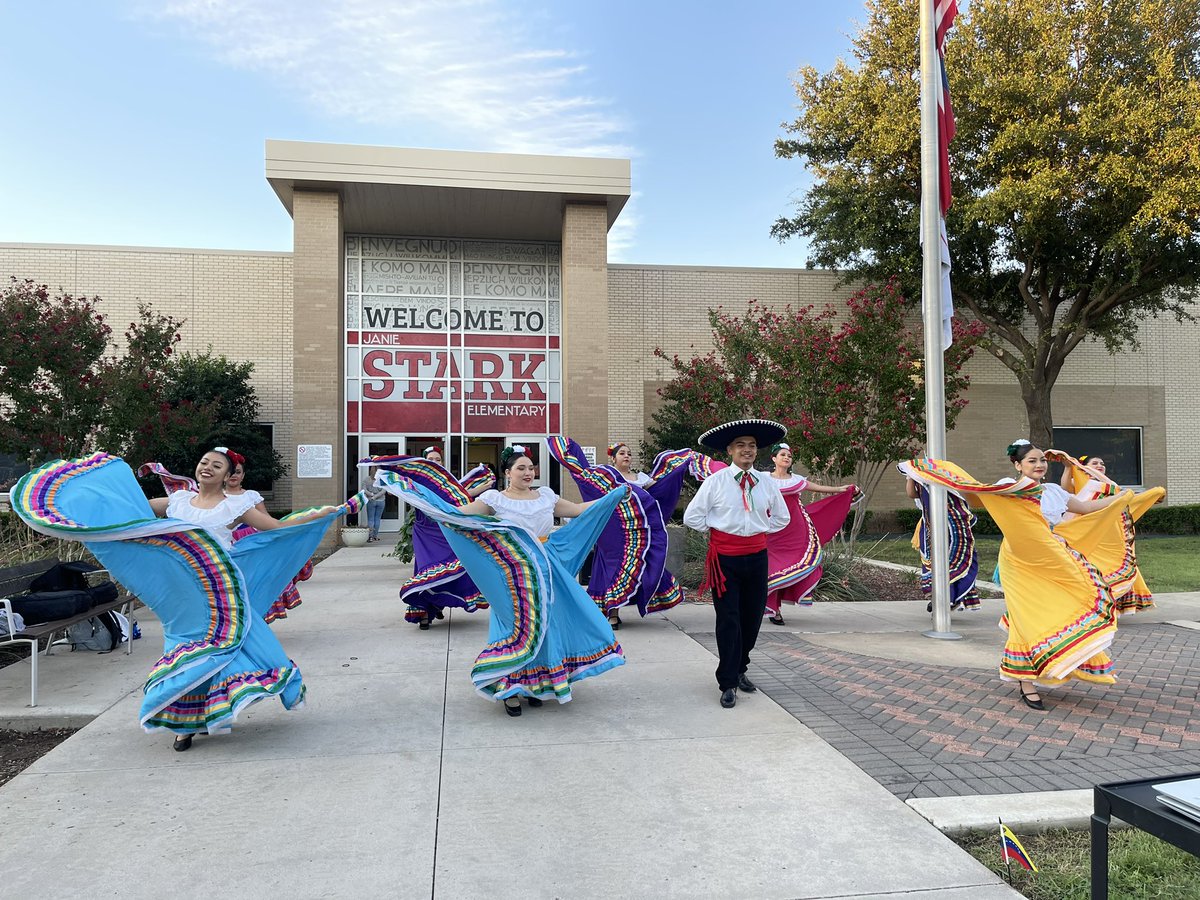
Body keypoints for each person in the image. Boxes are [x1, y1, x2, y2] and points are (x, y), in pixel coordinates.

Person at [14, 450, 352, 753]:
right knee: (186, 642)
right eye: (205, 462)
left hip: (219, 589)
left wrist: (327, 514)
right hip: (179, 590)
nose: (207, 468)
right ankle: (184, 721)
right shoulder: (176, 501)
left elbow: (276, 528)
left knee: (229, 642)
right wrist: (87, 510)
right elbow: (129, 518)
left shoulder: (238, 504)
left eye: (216, 465)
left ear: (228, 475)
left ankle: (200, 715)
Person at [376, 446, 627, 717]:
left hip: (546, 568)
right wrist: (430, 504)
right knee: (515, 626)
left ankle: (536, 684)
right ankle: (510, 689)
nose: (528, 472)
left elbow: (578, 510)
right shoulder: (495, 499)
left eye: (531, 468)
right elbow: (459, 515)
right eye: (521, 468)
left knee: (545, 624)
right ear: (507, 473)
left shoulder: (546, 497)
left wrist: (613, 496)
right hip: (511, 573)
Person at [901, 440, 1131, 712]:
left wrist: (1125, 496)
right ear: (1017, 465)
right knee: (1025, 617)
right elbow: (974, 494)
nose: (1038, 465)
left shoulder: (1054, 491)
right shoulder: (1009, 486)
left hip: (1052, 558)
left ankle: (1056, 660)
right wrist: (928, 473)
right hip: (1019, 560)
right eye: (1031, 461)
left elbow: (1089, 509)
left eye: (1041, 460)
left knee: (1061, 609)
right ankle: (1026, 681)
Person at [683, 419, 790, 709]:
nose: (747, 450)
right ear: (729, 450)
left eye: (752, 446)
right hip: (725, 560)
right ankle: (728, 681)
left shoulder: (766, 482)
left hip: (757, 557)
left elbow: (783, 517)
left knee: (752, 618)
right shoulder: (715, 482)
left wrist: (759, 529)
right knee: (728, 620)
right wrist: (721, 532)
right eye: (741, 445)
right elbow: (691, 517)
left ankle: (741, 666)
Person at [548, 437, 695, 630]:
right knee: (613, 565)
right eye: (622, 453)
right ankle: (612, 613)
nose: (627, 456)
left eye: (629, 453)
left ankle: (622, 605)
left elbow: (657, 492)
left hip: (636, 533)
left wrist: (678, 469)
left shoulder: (641, 478)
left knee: (640, 565)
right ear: (613, 459)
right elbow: (585, 478)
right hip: (612, 531)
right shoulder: (605, 477)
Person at [395, 447, 494, 630]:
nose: (434, 461)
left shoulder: (447, 483)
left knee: (452, 566)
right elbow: (441, 500)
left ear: (442, 462)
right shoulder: (415, 482)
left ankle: (436, 603)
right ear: (424, 462)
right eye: (431, 458)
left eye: (438, 459)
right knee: (425, 568)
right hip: (424, 533)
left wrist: (479, 489)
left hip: (443, 531)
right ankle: (424, 612)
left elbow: (456, 500)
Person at [762, 442, 855, 626]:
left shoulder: (796, 480)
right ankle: (773, 607)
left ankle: (776, 609)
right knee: (772, 566)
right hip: (771, 529)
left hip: (795, 530)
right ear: (774, 459)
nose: (787, 457)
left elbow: (818, 488)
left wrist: (840, 490)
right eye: (782, 455)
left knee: (794, 563)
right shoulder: (763, 478)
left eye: (789, 455)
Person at [227, 452, 314, 623]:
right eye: (230, 472)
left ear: (243, 475)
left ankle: (257, 620)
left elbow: (268, 521)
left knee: (256, 580)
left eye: (237, 472)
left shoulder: (251, 495)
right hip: (228, 544)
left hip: (253, 542)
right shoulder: (215, 497)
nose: (233, 476)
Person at [904, 476, 981, 614]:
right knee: (934, 566)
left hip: (952, 529)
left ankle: (952, 599)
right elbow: (912, 494)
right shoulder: (920, 476)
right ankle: (940, 600)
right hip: (930, 528)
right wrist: (911, 476)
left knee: (951, 564)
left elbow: (958, 500)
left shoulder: (945, 475)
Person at [360, 465, 386, 542]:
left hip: (371, 500)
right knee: (377, 519)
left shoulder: (366, 479)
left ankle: (370, 537)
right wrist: (376, 496)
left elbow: (364, 490)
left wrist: (372, 495)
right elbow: (384, 491)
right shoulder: (381, 479)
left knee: (371, 519)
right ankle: (375, 536)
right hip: (381, 501)